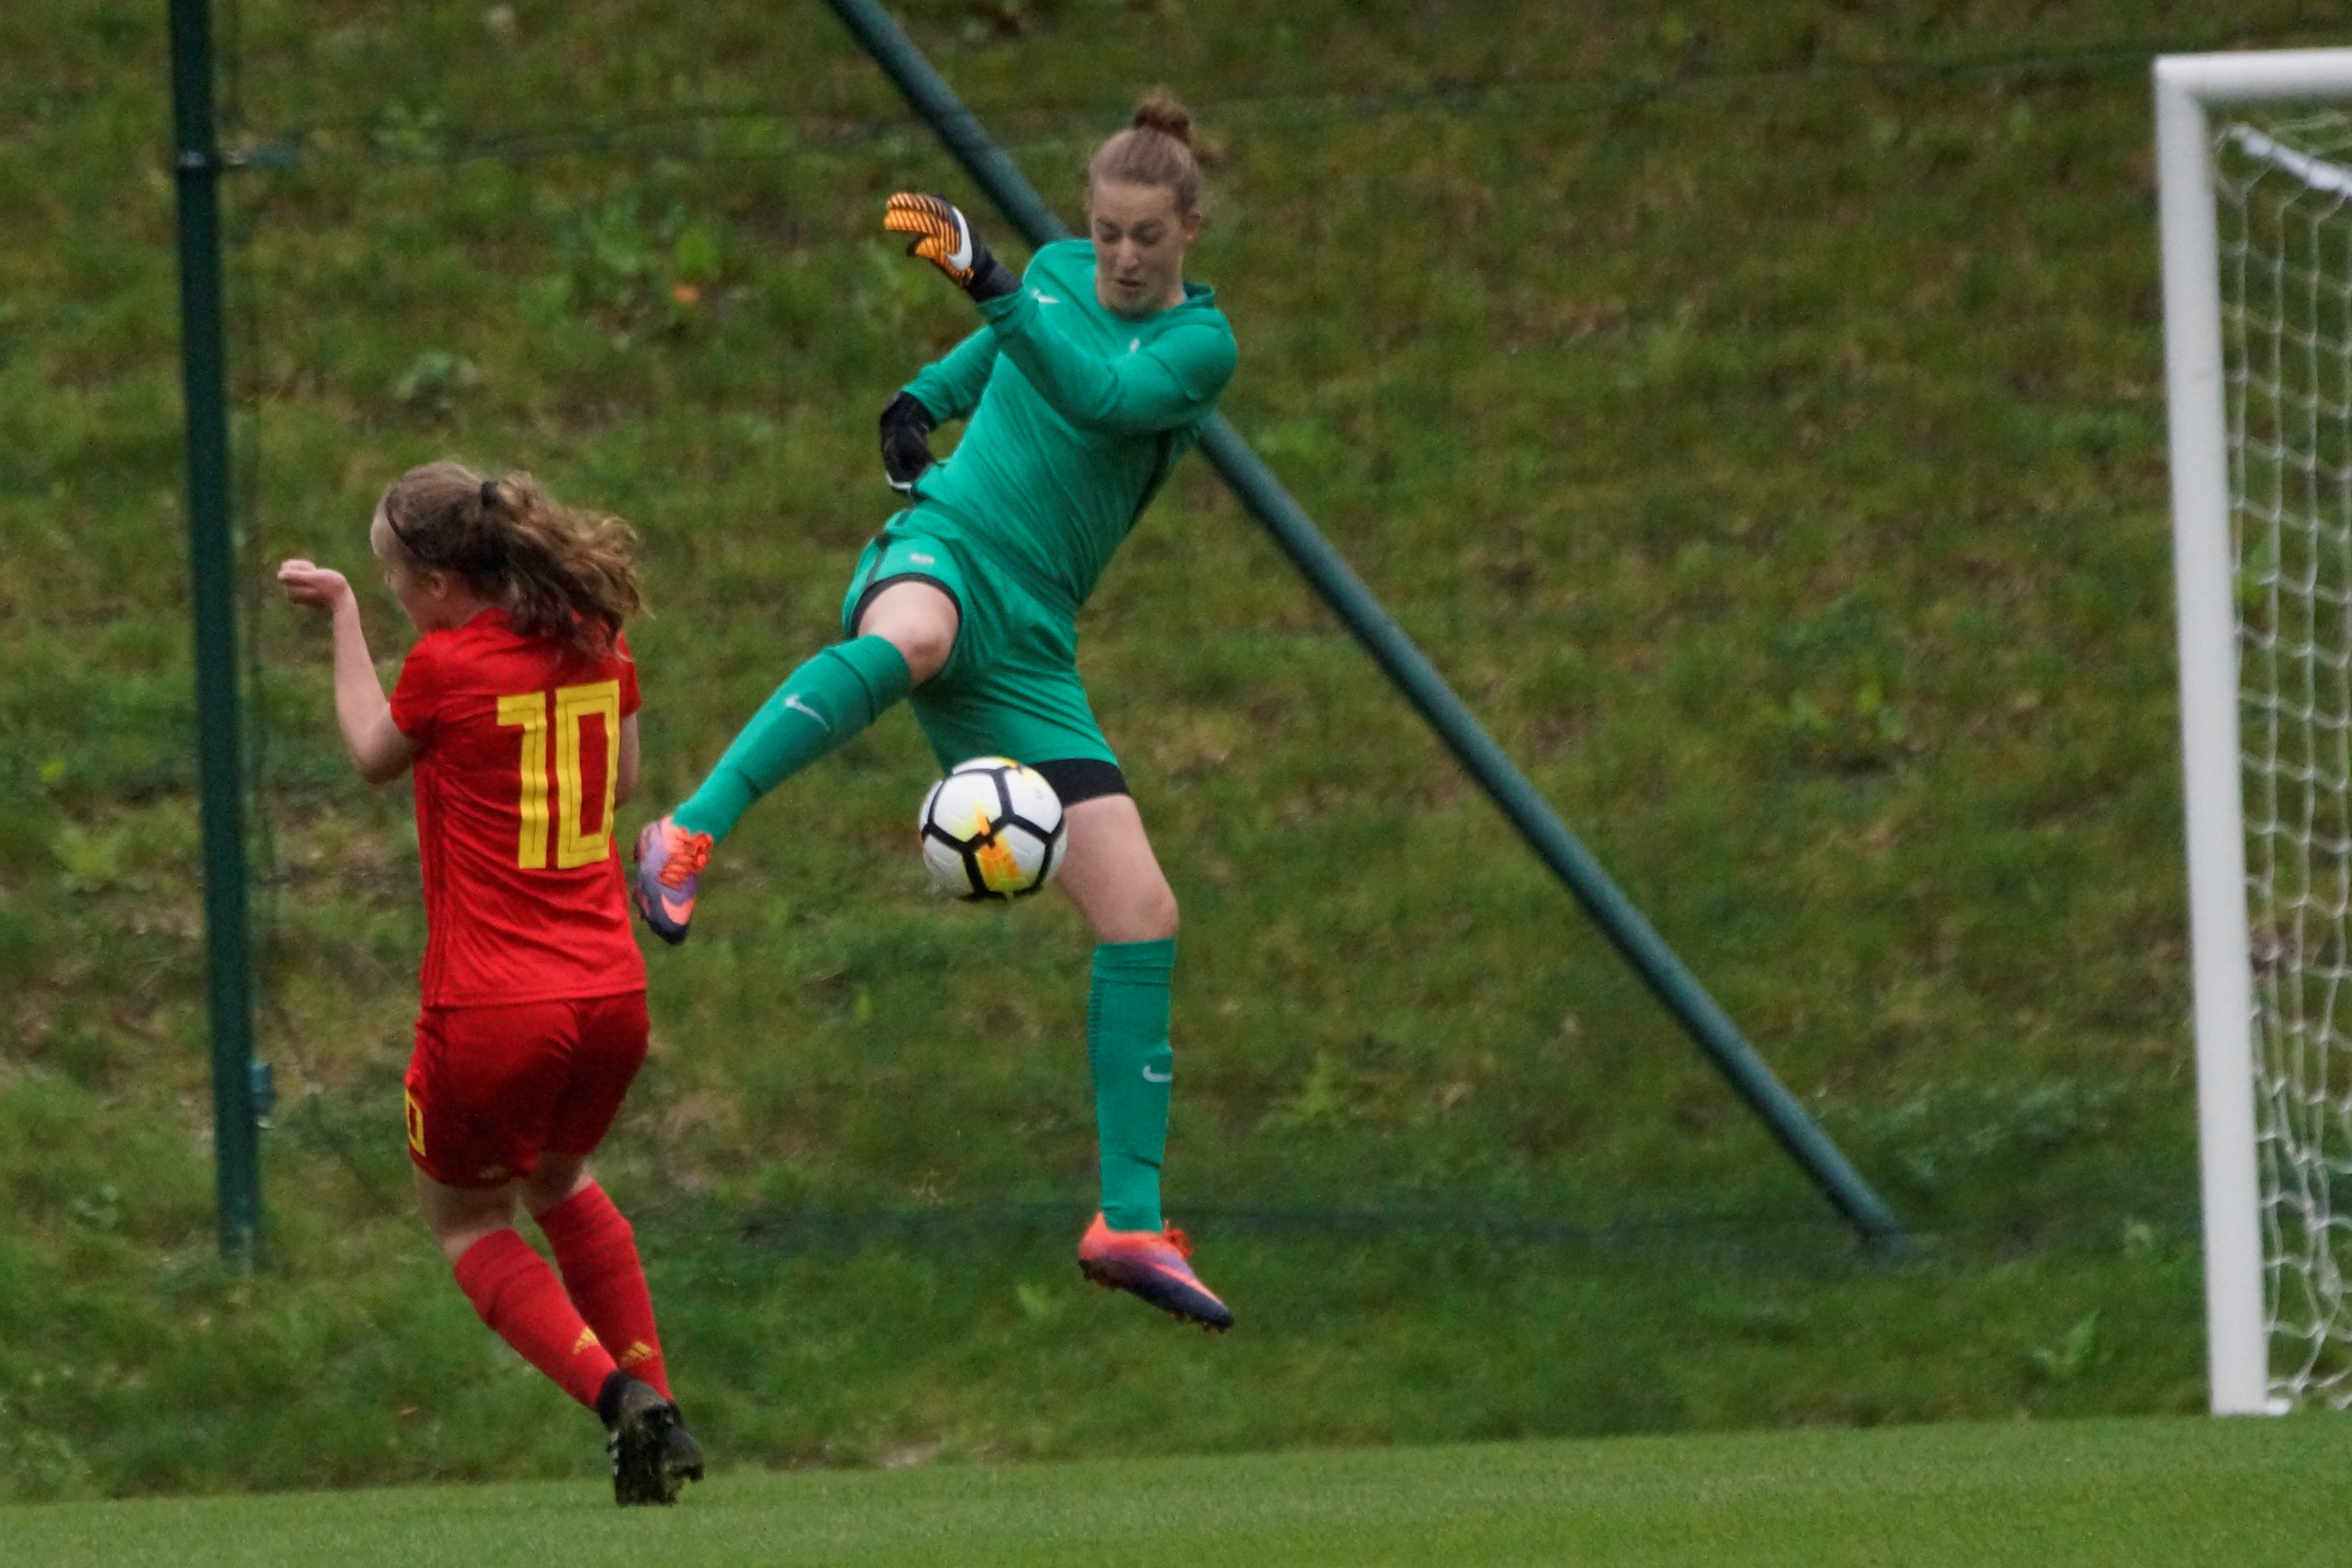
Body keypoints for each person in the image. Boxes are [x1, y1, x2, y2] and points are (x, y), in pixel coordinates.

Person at [632, 95, 1238, 1331]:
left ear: (1189, 229)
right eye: (1105, 231)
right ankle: (684, 833)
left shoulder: (1196, 350)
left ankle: (1127, 1215)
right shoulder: (1059, 276)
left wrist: (990, 282)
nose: (1121, 256)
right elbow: (1001, 355)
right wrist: (918, 404)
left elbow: (1094, 402)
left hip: (1034, 643)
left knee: (1140, 909)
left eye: (1146, 238)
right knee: (909, 636)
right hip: (951, 544)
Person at [277, 461, 705, 1504]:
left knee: (471, 1225)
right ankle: (663, 1411)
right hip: (610, 991)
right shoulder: (599, 641)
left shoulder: (443, 665)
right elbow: (624, 781)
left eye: (385, 579)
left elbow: (376, 753)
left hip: (492, 1005)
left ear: (433, 583)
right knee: (562, 1180)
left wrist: (338, 618)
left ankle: (620, 1399)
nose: (385, 595)